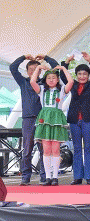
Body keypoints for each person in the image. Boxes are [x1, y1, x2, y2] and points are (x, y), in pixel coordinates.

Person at [10, 54, 58, 186]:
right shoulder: (23, 82)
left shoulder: (44, 83)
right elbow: (13, 67)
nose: (33, 71)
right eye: (30, 69)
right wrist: (23, 57)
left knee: (44, 149)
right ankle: (25, 177)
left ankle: (44, 176)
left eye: (36, 69)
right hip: (28, 119)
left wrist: (46, 58)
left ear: (40, 70)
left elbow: (56, 69)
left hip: (42, 120)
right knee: (27, 150)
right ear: (27, 71)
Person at [61, 52, 90, 185]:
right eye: (79, 74)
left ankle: (89, 176)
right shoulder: (72, 84)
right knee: (77, 148)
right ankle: (77, 176)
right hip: (74, 120)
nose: (82, 76)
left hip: (88, 119)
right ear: (76, 75)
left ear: (88, 75)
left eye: (85, 74)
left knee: (88, 147)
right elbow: (63, 75)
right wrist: (66, 62)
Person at [30, 65, 73, 186]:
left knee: (55, 149)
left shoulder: (62, 90)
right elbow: (32, 81)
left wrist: (63, 69)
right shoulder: (42, 89)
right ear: (45, 79)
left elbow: (71, 82)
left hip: (57, 119)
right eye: (49, 78)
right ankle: (48, 177)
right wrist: (38, 68)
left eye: (54, 77)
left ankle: (55, 177)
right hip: (45, 119)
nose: (51, 80)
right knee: (46, 150)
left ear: (58, 79)